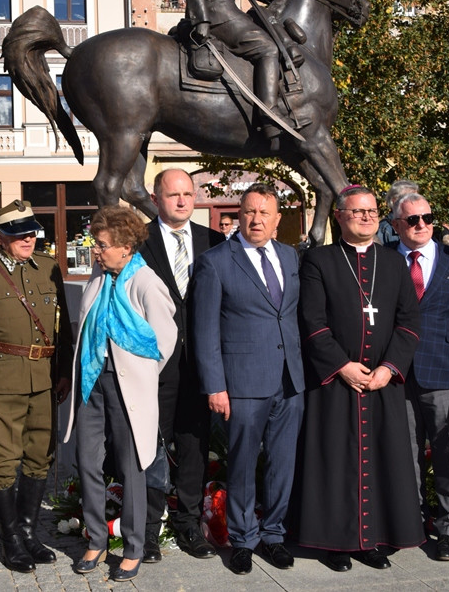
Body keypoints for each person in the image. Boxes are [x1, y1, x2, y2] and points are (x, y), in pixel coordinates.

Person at [296, 185, 423, 572]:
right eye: (357, 212)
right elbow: (313, 323)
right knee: (334, 460)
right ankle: (336, 542)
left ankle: (374, 541)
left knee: (381, 460)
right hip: (336, 382)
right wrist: (343, 366)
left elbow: (409, 322)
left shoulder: (393, 262)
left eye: (371, 212)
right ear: (339, 217)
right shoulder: (319, 261)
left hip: (381, 383)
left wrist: (388, 369)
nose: (366, 218)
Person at [192, 183, 304, 575]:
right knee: (240, 463)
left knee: (282, 463)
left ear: (277, 220)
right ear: (239, 215)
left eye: (264, 213)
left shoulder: (291, 257)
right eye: (249, 211)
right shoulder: (216, 262)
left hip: (290, 380)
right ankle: (243, 539)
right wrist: (216, 385)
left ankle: (273, 535)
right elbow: (204, 330)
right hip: (241, 383)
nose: (256, 219)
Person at [0, 199, 71, 573]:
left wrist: (64, 370)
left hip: (43, 382)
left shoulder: (49, 269)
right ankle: (10, 540)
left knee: (40, 459)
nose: (28, 239)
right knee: (3, 464)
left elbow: (62, 326)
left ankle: (28, 533)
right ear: (0, 235)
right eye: (18, 233)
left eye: (32, 232)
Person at [64, 206, 176, 582]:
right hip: (92, 383)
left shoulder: (145, 281)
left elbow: (164, 340)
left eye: (103, 245)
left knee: (132, 469)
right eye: (96, 244)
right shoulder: (98, 277)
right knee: (88, 462)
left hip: (128, 388)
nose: (96, 251)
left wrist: (140, 375)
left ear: (126, 247)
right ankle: (95, 539)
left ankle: (133, 548)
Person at [138, 169, 226, 562]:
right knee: (152, 447)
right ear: (156, 198)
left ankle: (189, 524)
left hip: (202, 365)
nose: (182, 201)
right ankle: (148, 529)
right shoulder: (137, 241)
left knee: (194, 445)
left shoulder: (216, 242)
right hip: (154, 366)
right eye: (173, 194)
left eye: (188, 194)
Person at [390, 193, 449, 562]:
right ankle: (412, 522)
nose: (421, 224)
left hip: (445, 372)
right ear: (396, 226)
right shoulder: (383, 261)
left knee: (448, 455)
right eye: (411, 220)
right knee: (404, 453)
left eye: (426, 217)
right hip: (396, 374)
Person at [177, 0, 292, 148]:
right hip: (216, 12)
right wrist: (201, 17)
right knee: (268, 48)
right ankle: (269, 115)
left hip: (220, 4)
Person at [376, 180, 418, 246]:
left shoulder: (419, 223)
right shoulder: (385, 229)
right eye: (411, 199)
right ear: (395, 200)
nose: (416, 202)